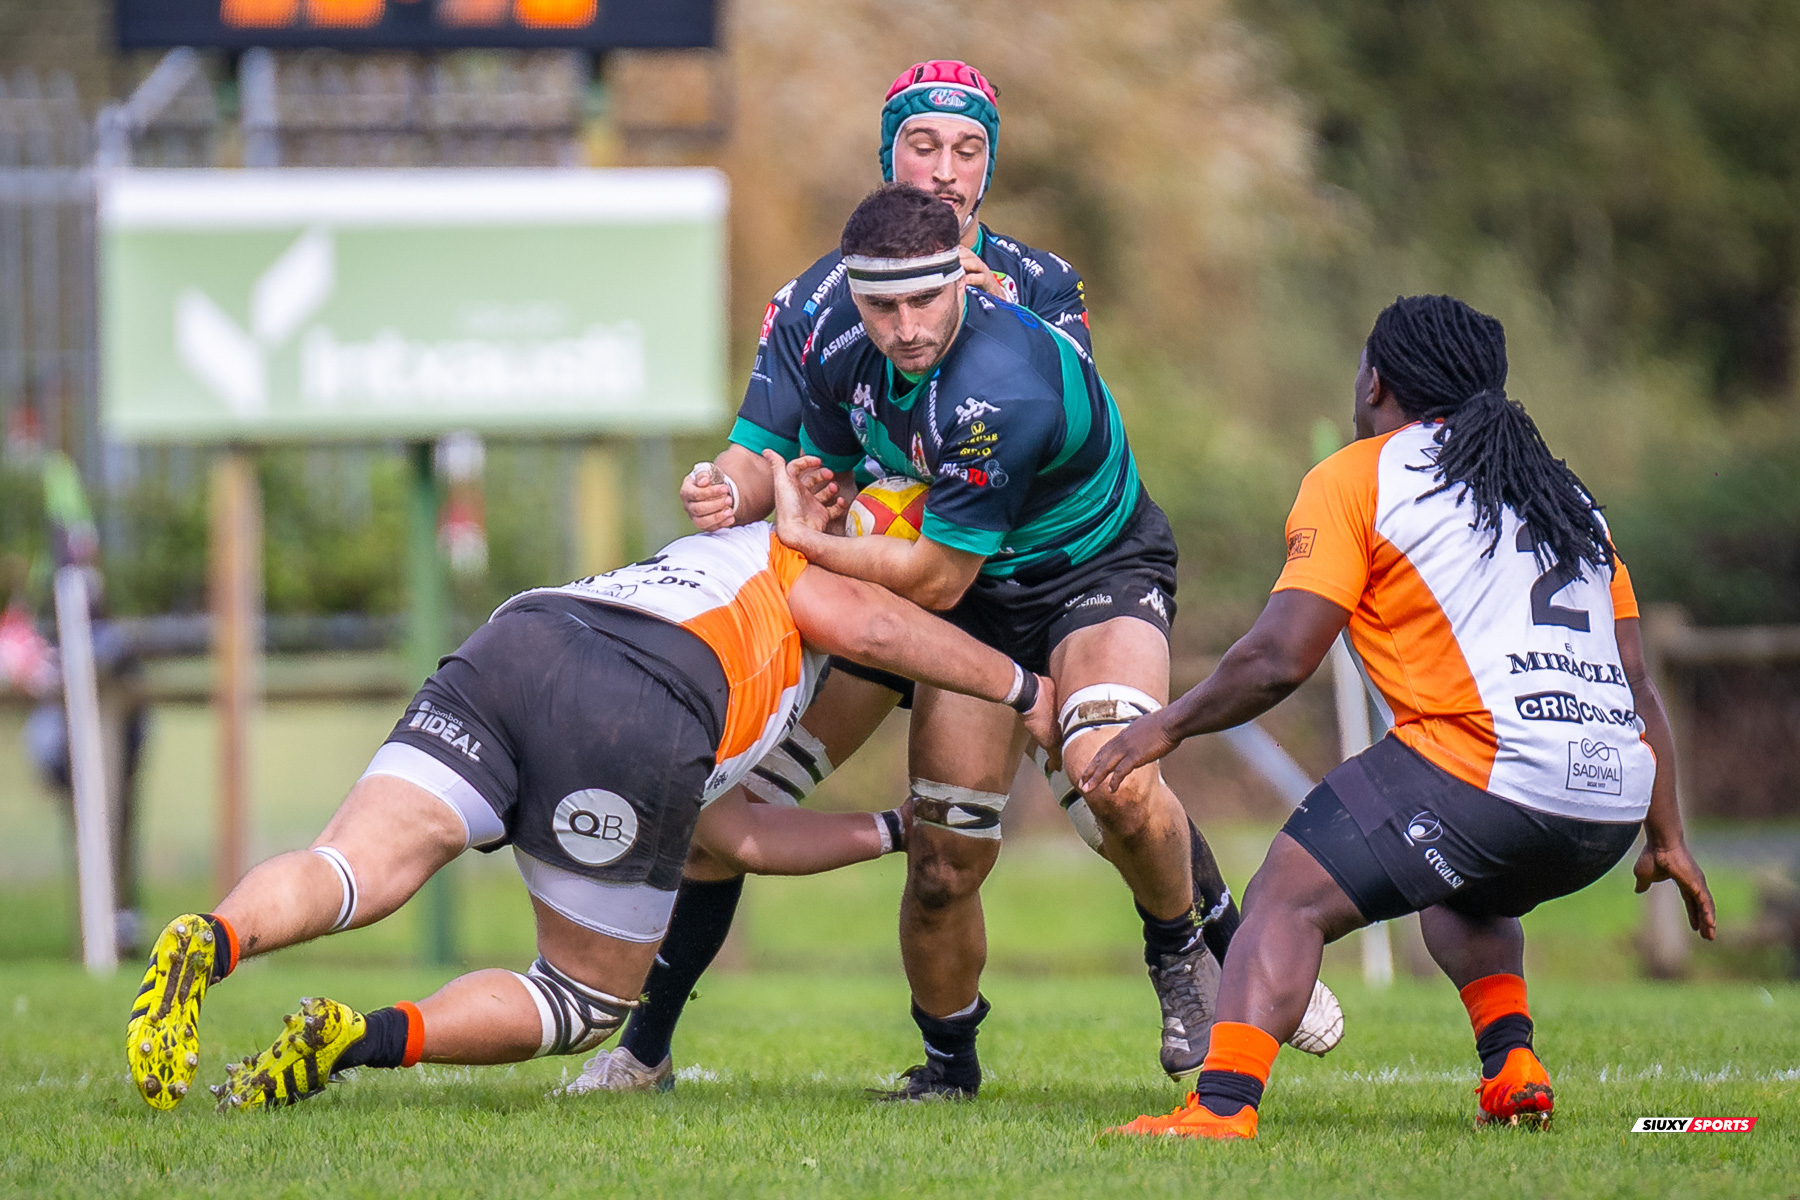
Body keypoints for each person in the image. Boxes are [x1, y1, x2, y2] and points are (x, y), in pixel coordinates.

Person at [588, 57, 1287, 1095]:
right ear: (889, 155)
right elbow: (767, 448)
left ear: (987, 173)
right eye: (924, 144)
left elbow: (982, 473)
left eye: (968, 151)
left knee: (1110, 769)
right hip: (902, 590)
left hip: (1017, 576)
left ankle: (1201, 944)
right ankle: (654, 1047)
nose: (946, 170)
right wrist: (731, 493)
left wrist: (836, 527)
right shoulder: (821, 305)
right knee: (784, 814)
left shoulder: (1032, 298)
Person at [124, 518, 1058, 1112]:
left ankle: (213, 937)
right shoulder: (806, 569)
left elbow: (738, 839)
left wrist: (896, 829)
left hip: (519, 640)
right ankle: (356, 1037)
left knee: (348, 867)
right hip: (634, 704)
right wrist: (1022, 685)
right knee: (582, 1000)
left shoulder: (714, 555)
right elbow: (881, 629)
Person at [1087, 294, 1718, 1139]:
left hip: (1487, 772)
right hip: (1607, 807)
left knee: (1286, 893)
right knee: (1462, 877)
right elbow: (1638, 680)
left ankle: (1221, 1106)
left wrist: (1161, 726)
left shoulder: (1364, 471)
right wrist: (1669, 839)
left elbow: (1278, 658)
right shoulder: (1567, 496)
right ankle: (1514, 1066)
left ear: (1375, 381)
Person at [761, 181, 1334, 1101]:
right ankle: (949, 1068)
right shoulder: (835, 344)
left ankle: (1176, 947)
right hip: (978, 596)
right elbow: (837, 461)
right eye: (882, 305)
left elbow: (936, 578)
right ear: (850, 295)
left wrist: (818, 546)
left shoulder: (1001, 386)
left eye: (924, 299)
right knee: (944, 861)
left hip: (1089, 574)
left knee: (1113, 769)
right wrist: (820, 491)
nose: (904, 326)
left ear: (963, 279)